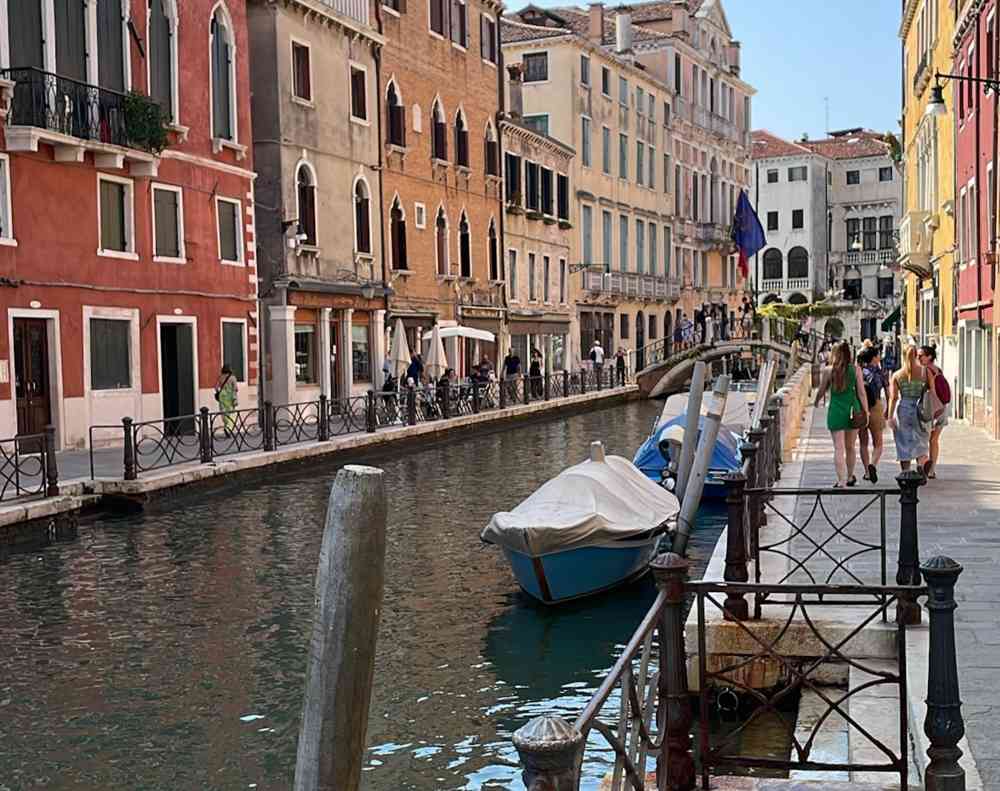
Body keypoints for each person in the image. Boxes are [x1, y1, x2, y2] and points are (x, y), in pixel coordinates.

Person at [813, 340, 869, 487]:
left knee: (838, 447)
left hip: (836, 411)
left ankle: (841, 480)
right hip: (853, 410)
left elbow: (821, 390)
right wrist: (866, 411)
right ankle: (850, 476)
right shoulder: (856, 370)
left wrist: (816, 401)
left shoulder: (828, 371)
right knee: (850, 446)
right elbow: (862, 393)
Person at [886, 345, 930, 474]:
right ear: (917, 355)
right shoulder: (924, 372)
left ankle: (905, 472)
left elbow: (893, 397)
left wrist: (889, 417)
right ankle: (921, 465)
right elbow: (931, 390)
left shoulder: (897, 375)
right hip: (920, 408)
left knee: (903, 440)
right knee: (921, 439)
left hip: (904, 408)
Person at [857, 346, 889, 483]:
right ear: (874, 357)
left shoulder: (859, 371)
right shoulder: (880, 372)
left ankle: (866, 472)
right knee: (878, 443)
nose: (880, 356)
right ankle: (873, 465)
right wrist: (888, 408)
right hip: (876, 406)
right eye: (878, 355)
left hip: (861, 407)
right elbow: (888, 392)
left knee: (863, 442)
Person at [917, 344, 948, 478]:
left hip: (931, 409)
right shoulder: (938, 369)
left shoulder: (926, 370)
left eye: (920, 355)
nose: (918, 358)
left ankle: (922, 466)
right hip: (943, 408)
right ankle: (932, 470)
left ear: (929, 357)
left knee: (923, 439)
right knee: (934, 440)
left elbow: (932, 391)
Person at [214, 365, 238, 434]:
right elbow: (235, 389)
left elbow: (216, 387)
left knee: (224, 413)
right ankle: (228, 428)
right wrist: (235, 399)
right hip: (230, 396)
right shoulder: (233, 377)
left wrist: (219, 392)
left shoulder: (220, 377)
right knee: (232, 413)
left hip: (222, 396)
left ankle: (226, 426)